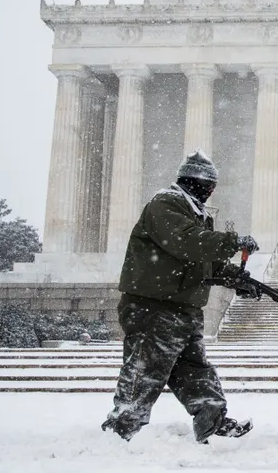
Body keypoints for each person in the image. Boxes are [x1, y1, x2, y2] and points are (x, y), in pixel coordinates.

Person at [101, 151, 259, 444]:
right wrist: (232, 242)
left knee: (193, 368)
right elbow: (188, 243)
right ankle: (122, 427)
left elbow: (205, 264)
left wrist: (238, 279)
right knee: (145, 367)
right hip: (154, 306)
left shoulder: (195, 213)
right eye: (208, 185)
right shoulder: (166, 204)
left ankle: (211, 416)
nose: (211, 192)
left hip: (183, 308)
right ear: (192, 182)